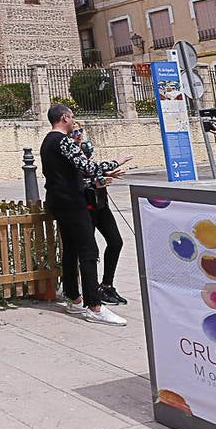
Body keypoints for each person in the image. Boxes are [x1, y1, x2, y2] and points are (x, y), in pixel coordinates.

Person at [41, 103, 129, 327]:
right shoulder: (62, 141)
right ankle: (94, 305)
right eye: (71, 117)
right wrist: (115, 162)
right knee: (89, 251)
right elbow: (86, 166)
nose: (73, 121)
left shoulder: (46, 142)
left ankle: (73, 297)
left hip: (59, 202)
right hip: (72, 202)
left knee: (70, 249)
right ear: (64, 118)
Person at [73, 122, 126, 306]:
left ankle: (107, 285)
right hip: (84, 206)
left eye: (80, 130)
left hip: (100, 204)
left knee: (116, 241)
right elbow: (77, 180)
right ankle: (90, 290)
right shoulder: (68, 152)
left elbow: (92, 170)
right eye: (75, 131)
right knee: (89, 251)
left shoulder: (86, 150)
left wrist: (106, 173)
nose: (79, 134)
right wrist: (97, 181)